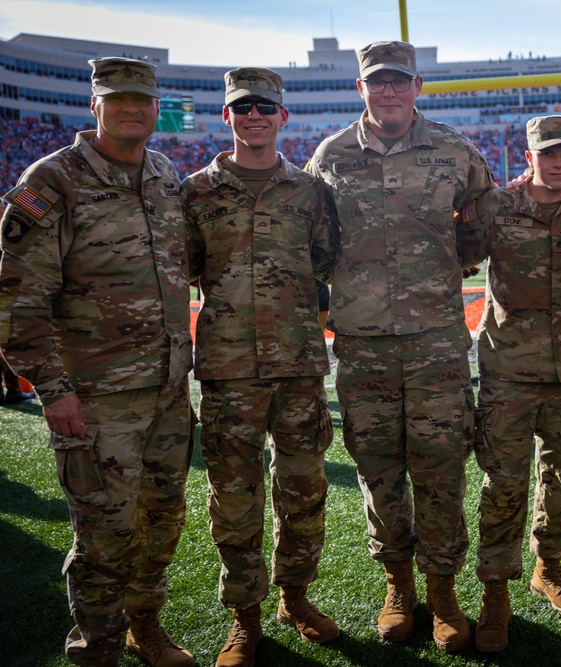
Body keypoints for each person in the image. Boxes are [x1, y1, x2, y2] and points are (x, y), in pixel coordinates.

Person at [0, 57, 195, 667]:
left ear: (156, 106)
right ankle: (96, 649)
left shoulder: (164, 174)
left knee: (162, 523)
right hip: (95, 398)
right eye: (118, 99)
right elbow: (16, 296)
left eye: (142, 98)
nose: (132, 108)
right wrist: (51, 390)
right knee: (104, 537)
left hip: (166, 391)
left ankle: (145, 627)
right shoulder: (53, 180)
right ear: (95, 105)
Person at [307, 40, 495, 653]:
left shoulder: (454, 150)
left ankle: (442, 590)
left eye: (398, 81)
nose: (387, 91)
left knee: (442, 467)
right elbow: (314, 239)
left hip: (436, 340)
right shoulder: (332, 155)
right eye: (376, 82)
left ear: (417, 86)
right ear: (361, 88)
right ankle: (398, 584)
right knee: (378, 467)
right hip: (363, 345)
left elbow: (480, 227)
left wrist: (435, 274)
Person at [181, 67, 339, 667]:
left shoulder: (308, 192)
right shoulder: (196, 192)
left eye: (264, 107)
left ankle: (294, 598)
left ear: (282, 117)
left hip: (298, 365)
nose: (253, 116)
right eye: (242, 107)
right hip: (228, 368)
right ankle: (245, 619)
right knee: (236, 498)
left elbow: (324, 261)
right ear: (227, 116)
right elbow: (187, 269)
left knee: (303, 490)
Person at [464, 115, 561, 652]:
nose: (560, 162)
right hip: (508, 370)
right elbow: (450, 256)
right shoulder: (496, 208)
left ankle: (547, 568)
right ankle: (494, 594)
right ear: (529, 154)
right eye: (549, 153)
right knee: (502, 485)